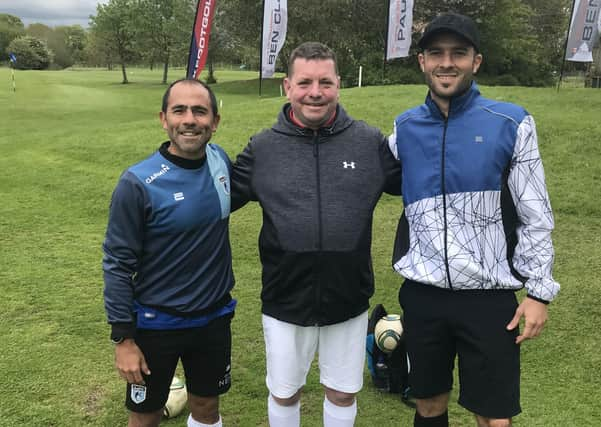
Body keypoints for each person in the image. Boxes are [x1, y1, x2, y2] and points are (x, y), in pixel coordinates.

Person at [388, 12, 561, 427]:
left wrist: (539, 293)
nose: (447, 63)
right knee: (429, 405)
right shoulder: (405, 128)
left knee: (494, 417)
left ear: (476, 61)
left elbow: (535, 214)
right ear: (422, 62)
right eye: (436, 53)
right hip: (424, 294)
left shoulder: (512, 122)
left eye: (458, 53)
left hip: (489, 296)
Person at [230, 42, 401, 427]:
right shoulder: (263, 148)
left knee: (342, 392)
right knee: (285, 391)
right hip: (284, 296)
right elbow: (216, 198)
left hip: (348, 294)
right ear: (287, 87)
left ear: (339, 84)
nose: (315, 92)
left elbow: (419, 184)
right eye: (305, 82)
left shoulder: (368, 142)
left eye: (325, 82)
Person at [102, 78, 235, 427]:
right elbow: (116, 264)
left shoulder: (220, 161)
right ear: (164, 119)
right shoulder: (137, 183)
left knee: (206, 407)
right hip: (155, 325)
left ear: (215, 122)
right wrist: (123, 339)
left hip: (213, 318)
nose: (189, 119)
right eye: (179, 110)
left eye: (200, 111)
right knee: (145, 417)